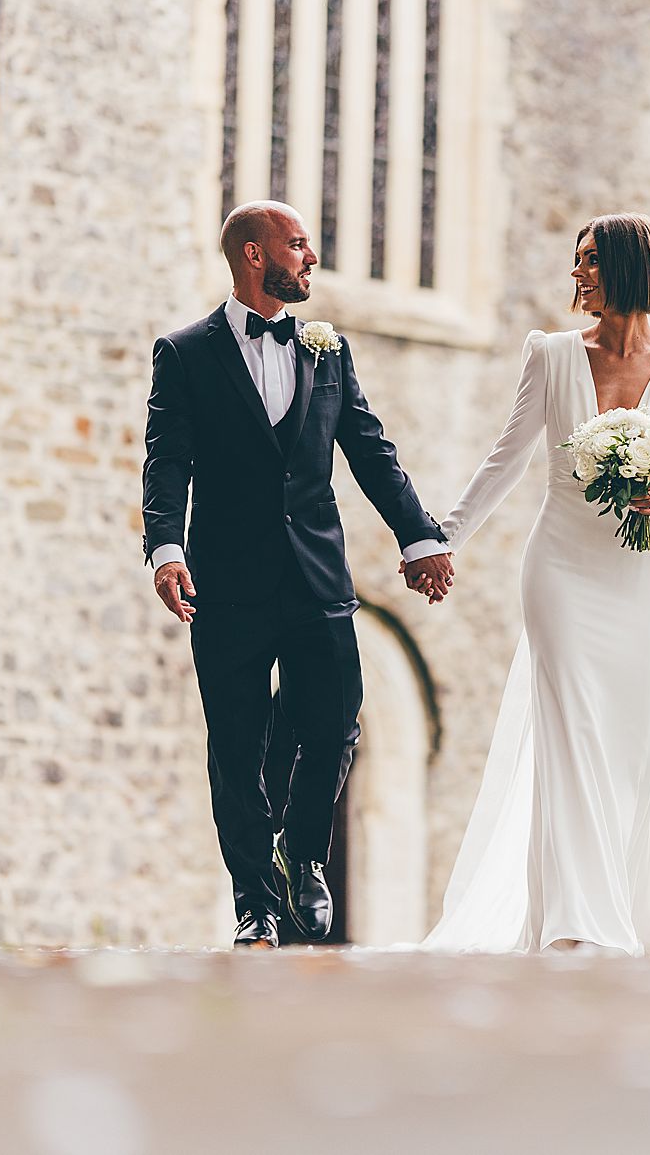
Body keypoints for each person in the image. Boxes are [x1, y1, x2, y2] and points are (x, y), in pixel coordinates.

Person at [142, 200, 455, 949]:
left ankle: (303, 853)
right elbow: (167, 459)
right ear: (255, 255)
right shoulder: (185, 353)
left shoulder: (327, 350)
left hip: (318, 575)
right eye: (299, 243)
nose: (311, 257)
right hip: (225, 582)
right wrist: (166, 549)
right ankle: (254, 904)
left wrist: (419, 536)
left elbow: (369, 447)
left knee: (336, 720)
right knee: (237, 745)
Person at [419, 212, 650, 956]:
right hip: (559, 568)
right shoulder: (550, 356)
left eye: (588, 260)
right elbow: (507, 457)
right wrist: (441, 535)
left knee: (628, 736)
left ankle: (627, 905)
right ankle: (573, 918)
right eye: (575, 259)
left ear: (627, 267)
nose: (576, 273)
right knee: (569, 731)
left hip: (642, 576)